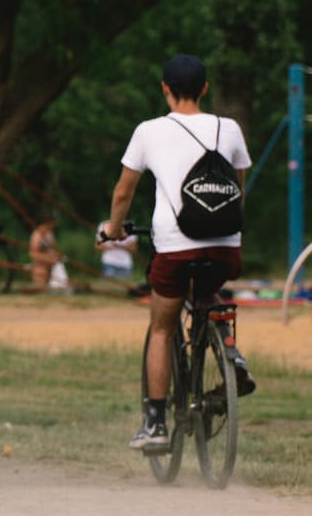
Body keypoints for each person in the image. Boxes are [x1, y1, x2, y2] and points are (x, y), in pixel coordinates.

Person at [104, 53, 254, 454]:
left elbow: (123, 191)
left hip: (174, 246)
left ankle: (154, 423)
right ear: (205, 88)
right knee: (207, 290)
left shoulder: (149, 131)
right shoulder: (230, 128)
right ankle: (231, 353)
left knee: (162, 327)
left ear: (164, 89)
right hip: (226, 246)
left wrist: (114, 229)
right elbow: (238, 186)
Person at [27, 218, 62, 289]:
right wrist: (48, 258)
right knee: (41, 287)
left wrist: (58, 256)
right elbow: (33, 254)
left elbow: (54, 248)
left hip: (51, 269)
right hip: (41, 269)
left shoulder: (49, 234)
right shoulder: (37, 235)